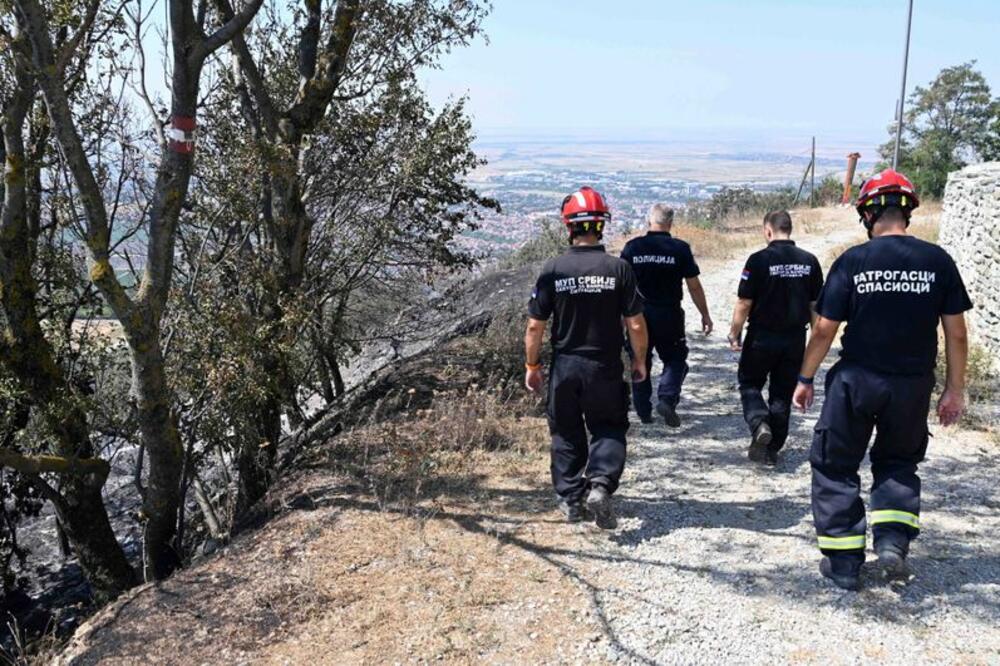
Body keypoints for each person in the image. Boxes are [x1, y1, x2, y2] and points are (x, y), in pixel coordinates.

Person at [792, 169, 971, 591]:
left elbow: (823, 330)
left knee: (835, 465)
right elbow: (957, 332)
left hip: (856, 382)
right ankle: (891, 544)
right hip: (911, 385)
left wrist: (805, 377)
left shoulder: (853, 261)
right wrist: (954, 389)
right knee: (898, 461)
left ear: (868, 214)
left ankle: (844, 565)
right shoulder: (938, 261)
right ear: (907, 211)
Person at [525, 187, 648, 529]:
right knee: (608, 426)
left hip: (565, 365)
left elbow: (535, 326)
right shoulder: (618, 269)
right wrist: (640, 361)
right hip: (605, 366)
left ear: (569, 227)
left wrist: (532, 366)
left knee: (565, 432)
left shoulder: (554, 269)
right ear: (601, 226)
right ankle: (601, 485)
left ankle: (570, 499)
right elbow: (635, 323)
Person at [728, 211, 823, 465]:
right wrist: (816, 340)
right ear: (789, 229)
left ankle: (759, 423)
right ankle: (772, 449)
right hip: (794, 340)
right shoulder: (810, 261)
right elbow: (815, 306)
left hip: (761, 336)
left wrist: (734, 333)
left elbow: (744, 301)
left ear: (768, 231)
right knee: (782, 394)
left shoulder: (758, 260)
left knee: (749, 384)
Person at [621, 204, 712, 427]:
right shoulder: (679, 249)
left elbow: (621, 286)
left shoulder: (633, 247)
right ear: (670, 223)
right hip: (669, 313)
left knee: (639, 359)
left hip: (638, 315)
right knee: (675, 359)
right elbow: (694, 286)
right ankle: (667, 399)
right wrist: (705, 315)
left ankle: (643, 411)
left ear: (648, 221)